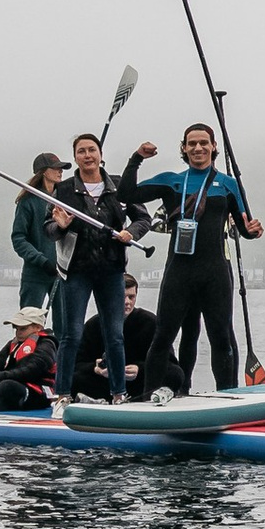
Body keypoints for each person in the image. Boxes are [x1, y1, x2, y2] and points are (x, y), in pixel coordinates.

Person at [124, 126, 262, 396]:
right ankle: (149, 397)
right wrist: (136, 158)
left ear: (213, 147)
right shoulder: (172, 181)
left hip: (216, 273)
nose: (198, 148)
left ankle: (227, 396)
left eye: (203, 143)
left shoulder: (228, 184)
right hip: (179, 272)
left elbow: (245, 229)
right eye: (192, 144)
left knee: (221, 338)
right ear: (184, 149)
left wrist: (254, 231)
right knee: (163, 337)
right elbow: (125, 195)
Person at [48, 134, 143, 401]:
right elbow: (49, 229)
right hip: (76, 270)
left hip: (111, 270)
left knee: (114, 335)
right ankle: (62, 395)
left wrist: (131, 233)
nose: (87, 155)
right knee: (71, 334)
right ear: (75, 157)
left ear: (100, 154)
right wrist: (61, 226)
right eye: (81, 151)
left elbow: (142, 218)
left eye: (92, 150)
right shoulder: (64, 190)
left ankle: (118, 394)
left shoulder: (119, 186)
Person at [72, 275, 156, 399]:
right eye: (121, 297)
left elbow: (167, 361)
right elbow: (77, 363)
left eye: (131, 297)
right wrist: (95, 368)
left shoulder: (149, 322)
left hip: (138, 382)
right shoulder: (93, 325)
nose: (127, 302)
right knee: (72, 378)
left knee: (175, 375)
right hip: (103, 382)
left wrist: (140, 369)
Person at [10, 155, 64, 312]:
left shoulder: (67, 199)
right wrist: (42, 261)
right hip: (35, 274)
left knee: (65, 329)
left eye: (61, 168)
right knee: (29, 323)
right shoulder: (28, 201)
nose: (60, 171)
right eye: (56, 168)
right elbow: (18, 239)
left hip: (63, 274)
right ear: (44, 172)